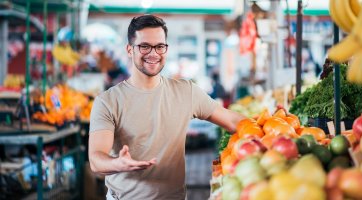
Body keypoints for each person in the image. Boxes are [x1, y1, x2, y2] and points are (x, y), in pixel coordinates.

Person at [88, 15, 245, 200]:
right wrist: (118, 163)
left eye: (160, 46)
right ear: (130, 50)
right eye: (144, 46)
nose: (153, 53)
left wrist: (274, 128)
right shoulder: (108, 101)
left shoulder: (186, 91)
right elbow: (96, 159)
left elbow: (234, 121)